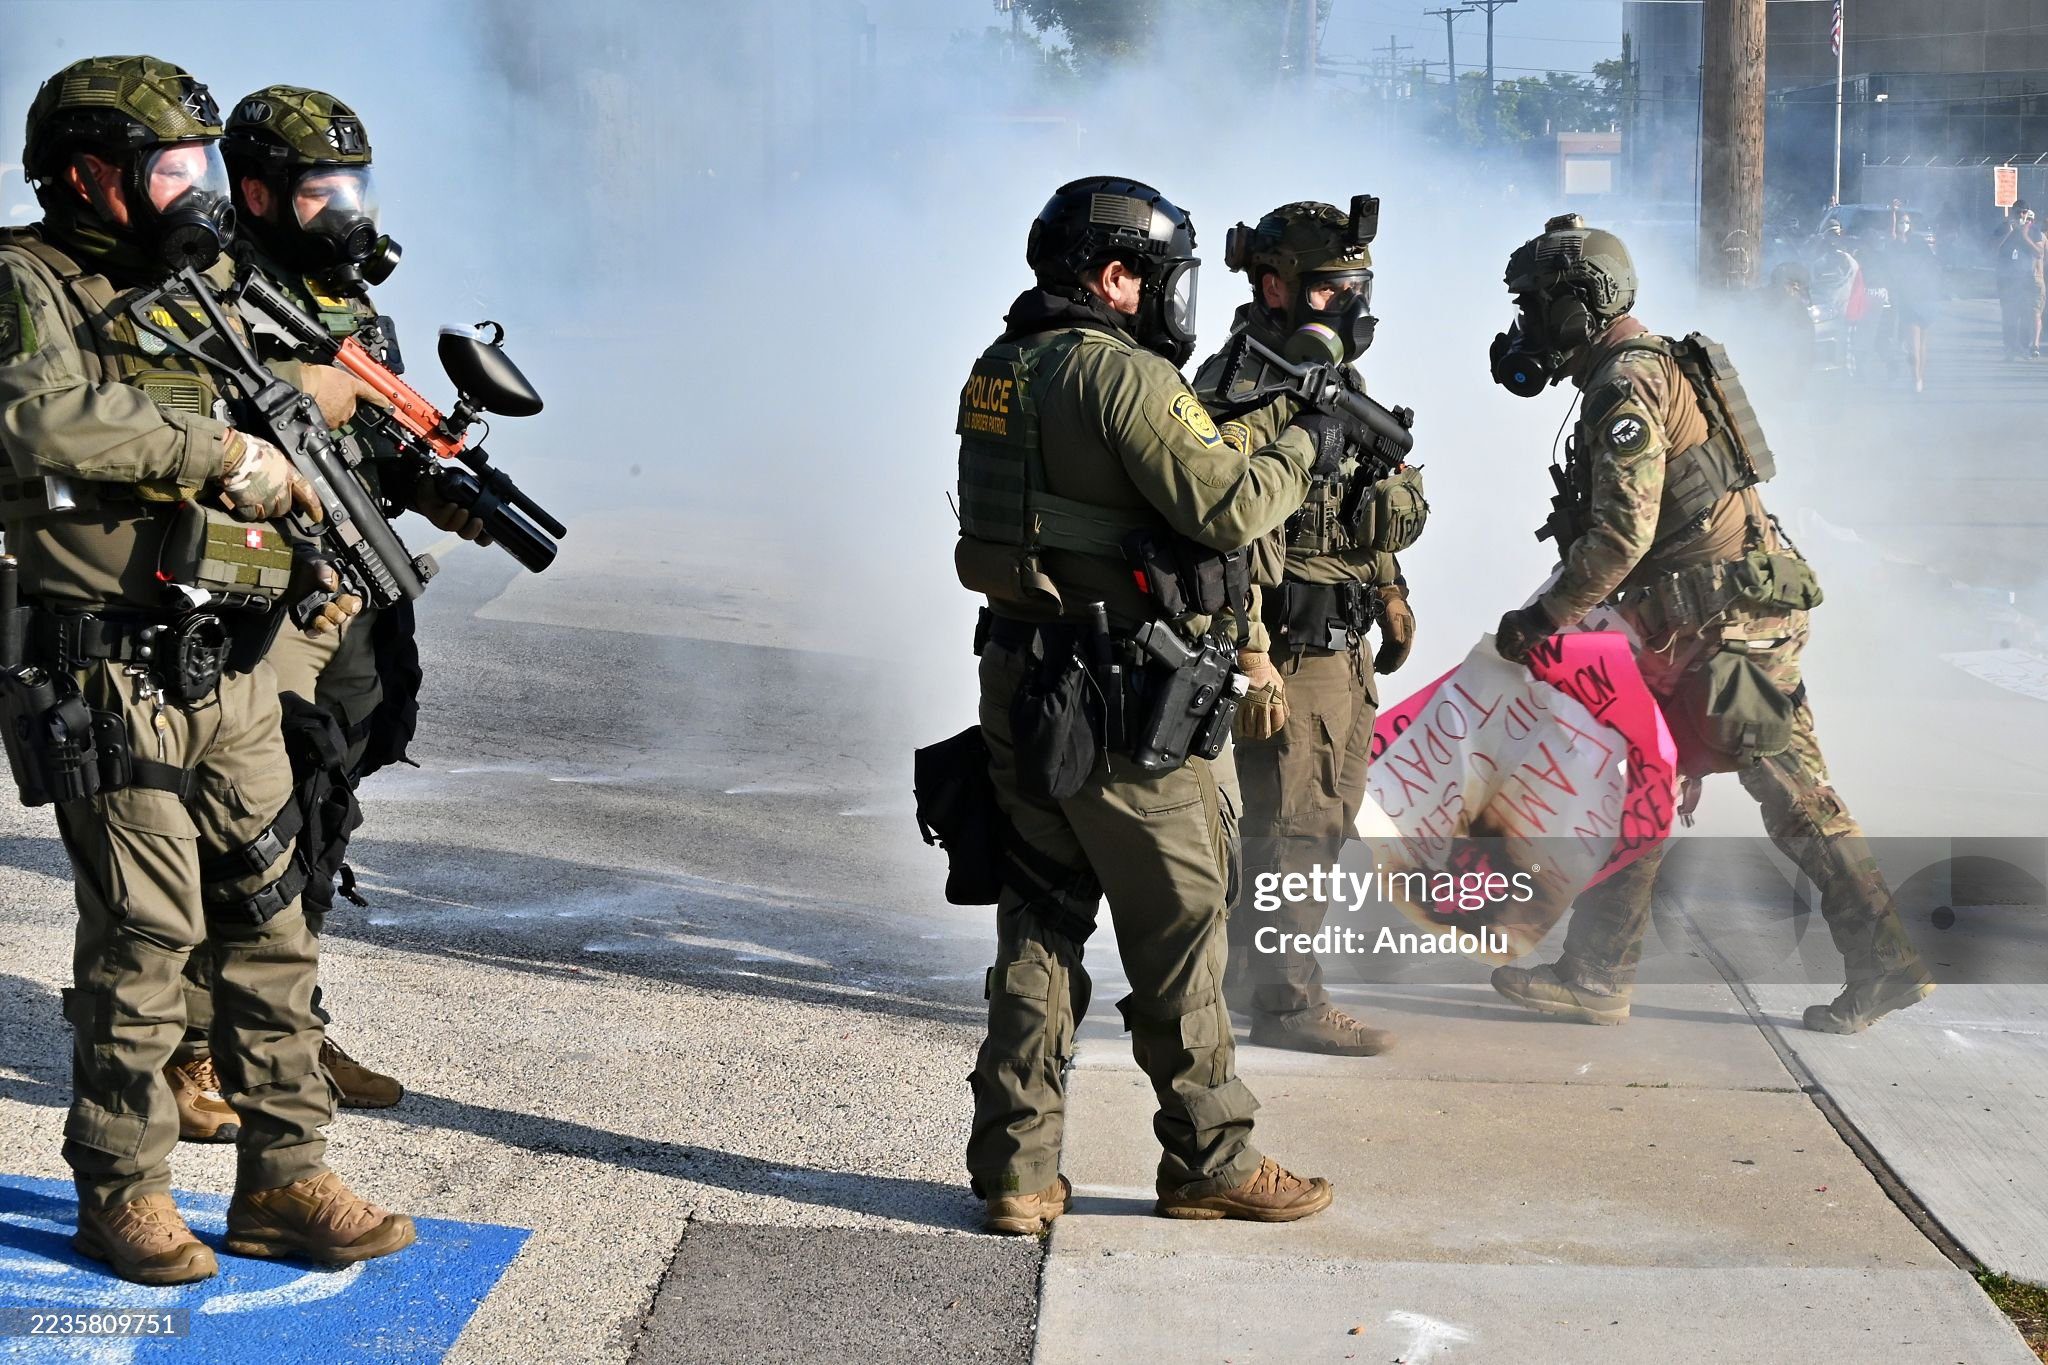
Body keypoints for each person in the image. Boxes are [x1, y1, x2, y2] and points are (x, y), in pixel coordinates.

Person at [0, 54, 415, 1284]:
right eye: (166, 167)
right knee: (141, 941)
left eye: (197, 164)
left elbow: (270, 386)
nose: (194, 189)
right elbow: (37, 418)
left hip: (229, 658)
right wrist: (220, 450)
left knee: (271, 921)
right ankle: (122, 1191)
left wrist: (332, 408)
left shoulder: (200, 282)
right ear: (88, 172)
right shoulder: (24, 278)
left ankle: (286, 1181)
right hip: (105, 666)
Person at [954, 176, 1336, 1234]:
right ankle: (1211, 1158)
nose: (1170, 297)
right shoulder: (1120, 377)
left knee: (1038, 920)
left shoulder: (1000, 366)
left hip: (1024, 688)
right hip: (1129, 706)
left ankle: (1015, 1174)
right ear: (1115, 278)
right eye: (1158, 276)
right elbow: (1225, 505)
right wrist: (1303, 442)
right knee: (1181, 940)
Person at [1485, 213, 1933, 1036]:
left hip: (1731, 628)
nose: (1528, 327)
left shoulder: (1625, 386)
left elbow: (1621, 534)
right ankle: (1596, 973)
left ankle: (1887, 960)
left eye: (1540, 306)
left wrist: (1542, 620)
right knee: (1635, 779)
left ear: (1583, 304)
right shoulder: (1644, 367)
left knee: (1795, 797)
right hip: (1716, 622)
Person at [148, 85, 491, 1128]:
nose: (347, 210)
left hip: (346, 604)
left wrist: (442, 488)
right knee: (241, 828)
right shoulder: (208, 300)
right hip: (251, 605)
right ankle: (195, 1049)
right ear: (254, 192)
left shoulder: (354, 316)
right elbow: (182, 440)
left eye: (356, 186)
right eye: (320, 190)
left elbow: (378, 458)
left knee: (321, 817)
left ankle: (285, 1031)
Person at [1190, 200, 1424, 1056]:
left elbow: (1358, 494)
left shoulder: (1330, 385)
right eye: (1332, 289)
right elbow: (1229, 527)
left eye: (1357, 287)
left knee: (1320, 823)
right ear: (1274, 286)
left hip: (1344, 645)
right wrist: (1252, 653)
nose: (1351, 306)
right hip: (1287, 648)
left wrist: (1391, 589)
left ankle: (1257, 982)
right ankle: (1285, 1003)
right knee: (1291, 830)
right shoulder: (1243, 387)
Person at [1883, 211, 1940, 393]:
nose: (1904, 225)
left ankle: (1917, 378)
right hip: (1911, 297)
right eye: (1901, 222)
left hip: (1921, 296)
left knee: (1919, 342)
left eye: (1906, 222)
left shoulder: (1916, 243)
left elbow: (1931, 265)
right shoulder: (1895, 245)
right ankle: (1917, 378)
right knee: (1915, 342)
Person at [1995, 208, 2045, 359]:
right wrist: (2010, 232)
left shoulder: (2035, 232)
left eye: (2024, 213)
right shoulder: (2006, 230)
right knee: (2011, 315)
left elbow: (2040, 253)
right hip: (2009, 279)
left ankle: (2030, 345)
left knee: (2031, 314)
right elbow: (1995, 249)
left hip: (2031, 279)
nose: (2021, 217)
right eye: (2018, 213)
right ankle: (2011, 348)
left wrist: (2024, 235)